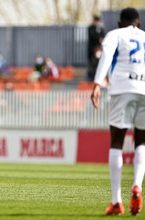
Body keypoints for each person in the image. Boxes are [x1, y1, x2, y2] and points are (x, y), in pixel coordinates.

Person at [91, 8, 145, 216]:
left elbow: (106, 56)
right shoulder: (144, 36)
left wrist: (97, 83)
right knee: (141, 140)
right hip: (144, 90)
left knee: (117, 141)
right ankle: (137, 186)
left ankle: (116, 201)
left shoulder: (115, 34)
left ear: (121, 23)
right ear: (138, 23)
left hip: (122, 88)